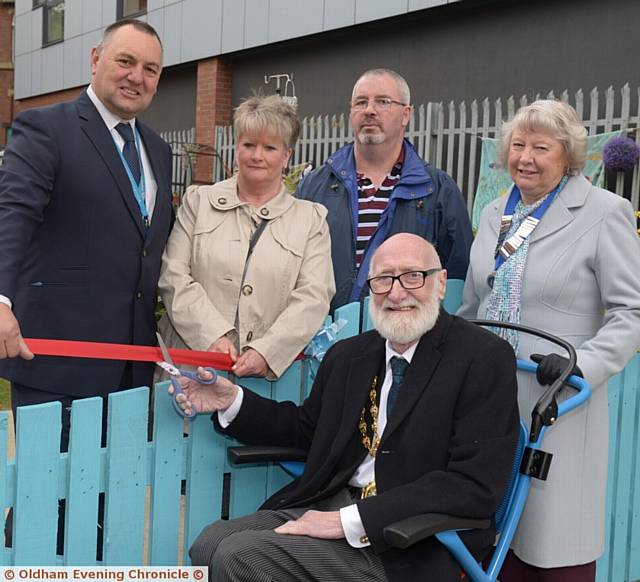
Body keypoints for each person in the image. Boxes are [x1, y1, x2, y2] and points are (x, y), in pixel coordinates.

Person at [176, 233, 519, 582]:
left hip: (410, 539)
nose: (397, 293)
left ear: (441, 282)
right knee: (209, 543)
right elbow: (309, 431)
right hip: (332, 503)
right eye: (383, 279)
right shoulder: (350, 355)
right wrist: (231, 400)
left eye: (413, 276)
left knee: (242, 558)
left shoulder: (483, 358)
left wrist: (348, 521)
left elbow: (473, 485)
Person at [458, 100, 640, 581]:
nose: (526, 157)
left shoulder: (604, 212)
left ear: (569, 155)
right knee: (490, 540)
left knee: (554, 547)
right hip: (489, 401)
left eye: (542, 147)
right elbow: (473, 307)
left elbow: (632, 312)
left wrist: (581, 366)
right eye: (518, 145)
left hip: (557, 403)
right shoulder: (495, 212)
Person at [0, 19, 173, 449]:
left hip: (130, 368)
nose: (137, 76)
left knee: (106, 504)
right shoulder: (46, 128)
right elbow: (12, 214)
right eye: (126, 61)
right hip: (58, 364)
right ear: (95, 59)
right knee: (48, 503)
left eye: (150, 69)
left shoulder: (159, 151)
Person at [159, 95, 334, 379]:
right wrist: (211, 336)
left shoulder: (311, 220)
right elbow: (173, 276)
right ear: (237, 147)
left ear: (287, 155)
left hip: (264, 384)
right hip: (189, 370)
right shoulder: (198, 202)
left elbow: (314, 296)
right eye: (249, 145)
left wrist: (267, 351)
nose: (257, 156)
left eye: (269, 147)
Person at [296, 68, 473, 312]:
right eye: (361, 102)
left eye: (383, 101)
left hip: (402, 338)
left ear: (405, 114)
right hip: (322, 339)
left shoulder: (437, 191)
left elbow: (456, 279)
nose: (369, 110)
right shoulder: (314, 186)